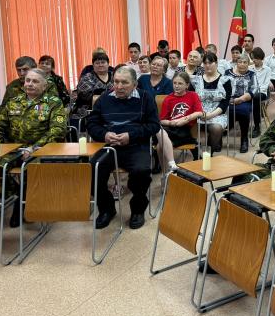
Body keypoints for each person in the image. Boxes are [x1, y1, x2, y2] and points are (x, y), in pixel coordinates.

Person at [0, 68, 66, 227]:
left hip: (41, 150)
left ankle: (21, 206)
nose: (30, 84)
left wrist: (34, 148)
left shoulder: (53, 102)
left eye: (35, 81)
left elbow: (57, 130)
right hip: (14, 149)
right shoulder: (14, 101)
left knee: (30, 170)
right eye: (28, 80)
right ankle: (18, 195)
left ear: (44, 86)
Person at [87, 66, 160, 230]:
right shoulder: (104, 98)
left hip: (136, 145)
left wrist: (131, 136)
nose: (119, 86)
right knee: (93, 169)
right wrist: (104, 135)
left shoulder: (145, 98)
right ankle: (107, 209)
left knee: (141, 171)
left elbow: (154, 125)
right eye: (116, 82)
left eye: (124, 83)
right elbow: (91, 124)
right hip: (110, 145)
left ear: (135, 84)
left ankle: (137, 210)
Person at [157, 71, 204, 171]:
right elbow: (162, 120)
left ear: (187, 85)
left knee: (160, 145)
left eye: (180, 83)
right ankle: (168, 170)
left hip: (184, 129)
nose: (176, 86)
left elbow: (199, 112)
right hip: (171, 128)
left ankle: (167, 171)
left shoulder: (193, 95)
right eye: (174, 83)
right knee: (160, 142)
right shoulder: (168, 99)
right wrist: (171, 123)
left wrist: (185, 119)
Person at [192, 52, 233, 153]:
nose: (207, 65)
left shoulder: (225, 80)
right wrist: (199, 113)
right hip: (198, 113)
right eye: (205, 63)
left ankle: (210, 153)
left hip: (217, 114)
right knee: (187, 125)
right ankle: (196, 153)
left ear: (216, 63)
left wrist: (210, 115)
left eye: (210, 63)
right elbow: (191, 99)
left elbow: (225, 103)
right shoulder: (196, 80)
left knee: (216, 128)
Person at [225, 52, 256, 153]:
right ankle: (218, 137)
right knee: (225, 110)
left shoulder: (252, 74)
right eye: (240, 62)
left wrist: (241, 99)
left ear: (248, 64)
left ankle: (244, 139)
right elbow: (222, 87)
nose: (242, 64)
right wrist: (228, 99)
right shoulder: (227, 73)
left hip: (244, 99)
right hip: (229, 100)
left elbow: (253, 90)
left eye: (245, 62)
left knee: (243, 111)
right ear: (236, 63)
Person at [250, 47, 271, 138]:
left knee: (256, 98)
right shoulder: (250, 68)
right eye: (252, 58)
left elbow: (265, 85)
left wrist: (255, 91)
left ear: (260, 58)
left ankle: (257, 126)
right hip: (251, 92)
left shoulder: (267, 69)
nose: (253, 60)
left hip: (262, 93)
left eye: (255, 58)